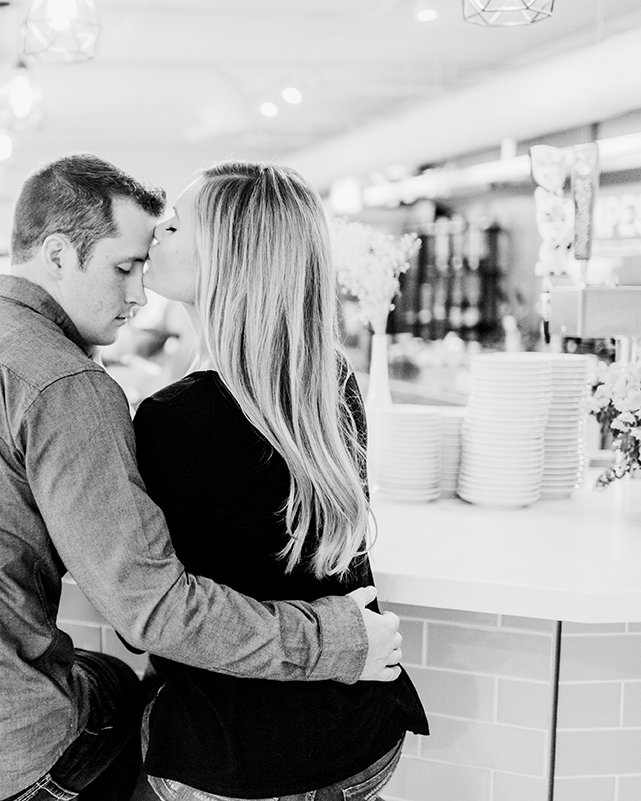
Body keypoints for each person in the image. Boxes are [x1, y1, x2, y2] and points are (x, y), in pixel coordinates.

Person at [0, 153, 405, 801]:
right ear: (60, 255)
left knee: (114, 684)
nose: (139, 294)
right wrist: (339, 639)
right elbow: (152, 610)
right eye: (126, 266)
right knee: (118, 691)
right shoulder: (72, 384)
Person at [134, 161, 428, 801]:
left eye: (177, 224)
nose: (157, 231)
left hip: (235, 758)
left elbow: (150, 617)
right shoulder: (333, 384)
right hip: (361, 738)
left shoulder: (172, 420)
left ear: (227, 255)